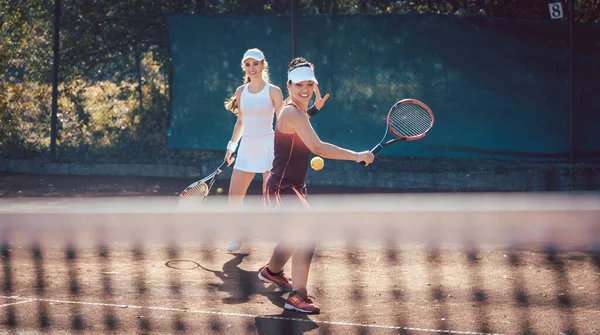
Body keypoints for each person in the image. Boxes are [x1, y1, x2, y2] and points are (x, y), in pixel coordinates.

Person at [257, 57, 374, 314]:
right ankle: (297, 296)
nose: (305, 89)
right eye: (300, 84)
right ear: (289, 85)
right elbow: (318, 147)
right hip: (282, 189)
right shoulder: (291, 112)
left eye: (310, 84)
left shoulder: (295, 112)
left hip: (291, 186)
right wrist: (356, 155)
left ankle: (272, 272)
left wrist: (314, 110)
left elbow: (299, 123)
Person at [223, 49, 329, 253]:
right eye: (248, 64)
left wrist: (314, 109)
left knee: (269, 195)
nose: (252, 68)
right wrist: (231, 147)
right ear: (244, 67)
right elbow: (240, 122)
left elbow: (286, 119)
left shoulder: (274, 91)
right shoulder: (240, 91)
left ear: (263, 65)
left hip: (268, 146)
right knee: (234, 196)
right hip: (246, 147)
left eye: (256, 63)